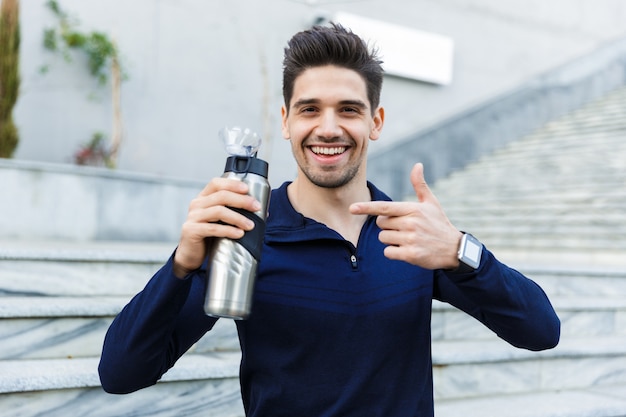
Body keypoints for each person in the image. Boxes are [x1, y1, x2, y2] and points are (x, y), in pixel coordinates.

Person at [99, 23, 560, 416]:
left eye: (349, 110)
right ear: (286, 121)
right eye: (309, 109)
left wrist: (461, 250)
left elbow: (541, 331)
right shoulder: (244, 235)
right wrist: (181, 265)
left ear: (375, 122)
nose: (328, 127)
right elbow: (121, 373)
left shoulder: (411, 235)